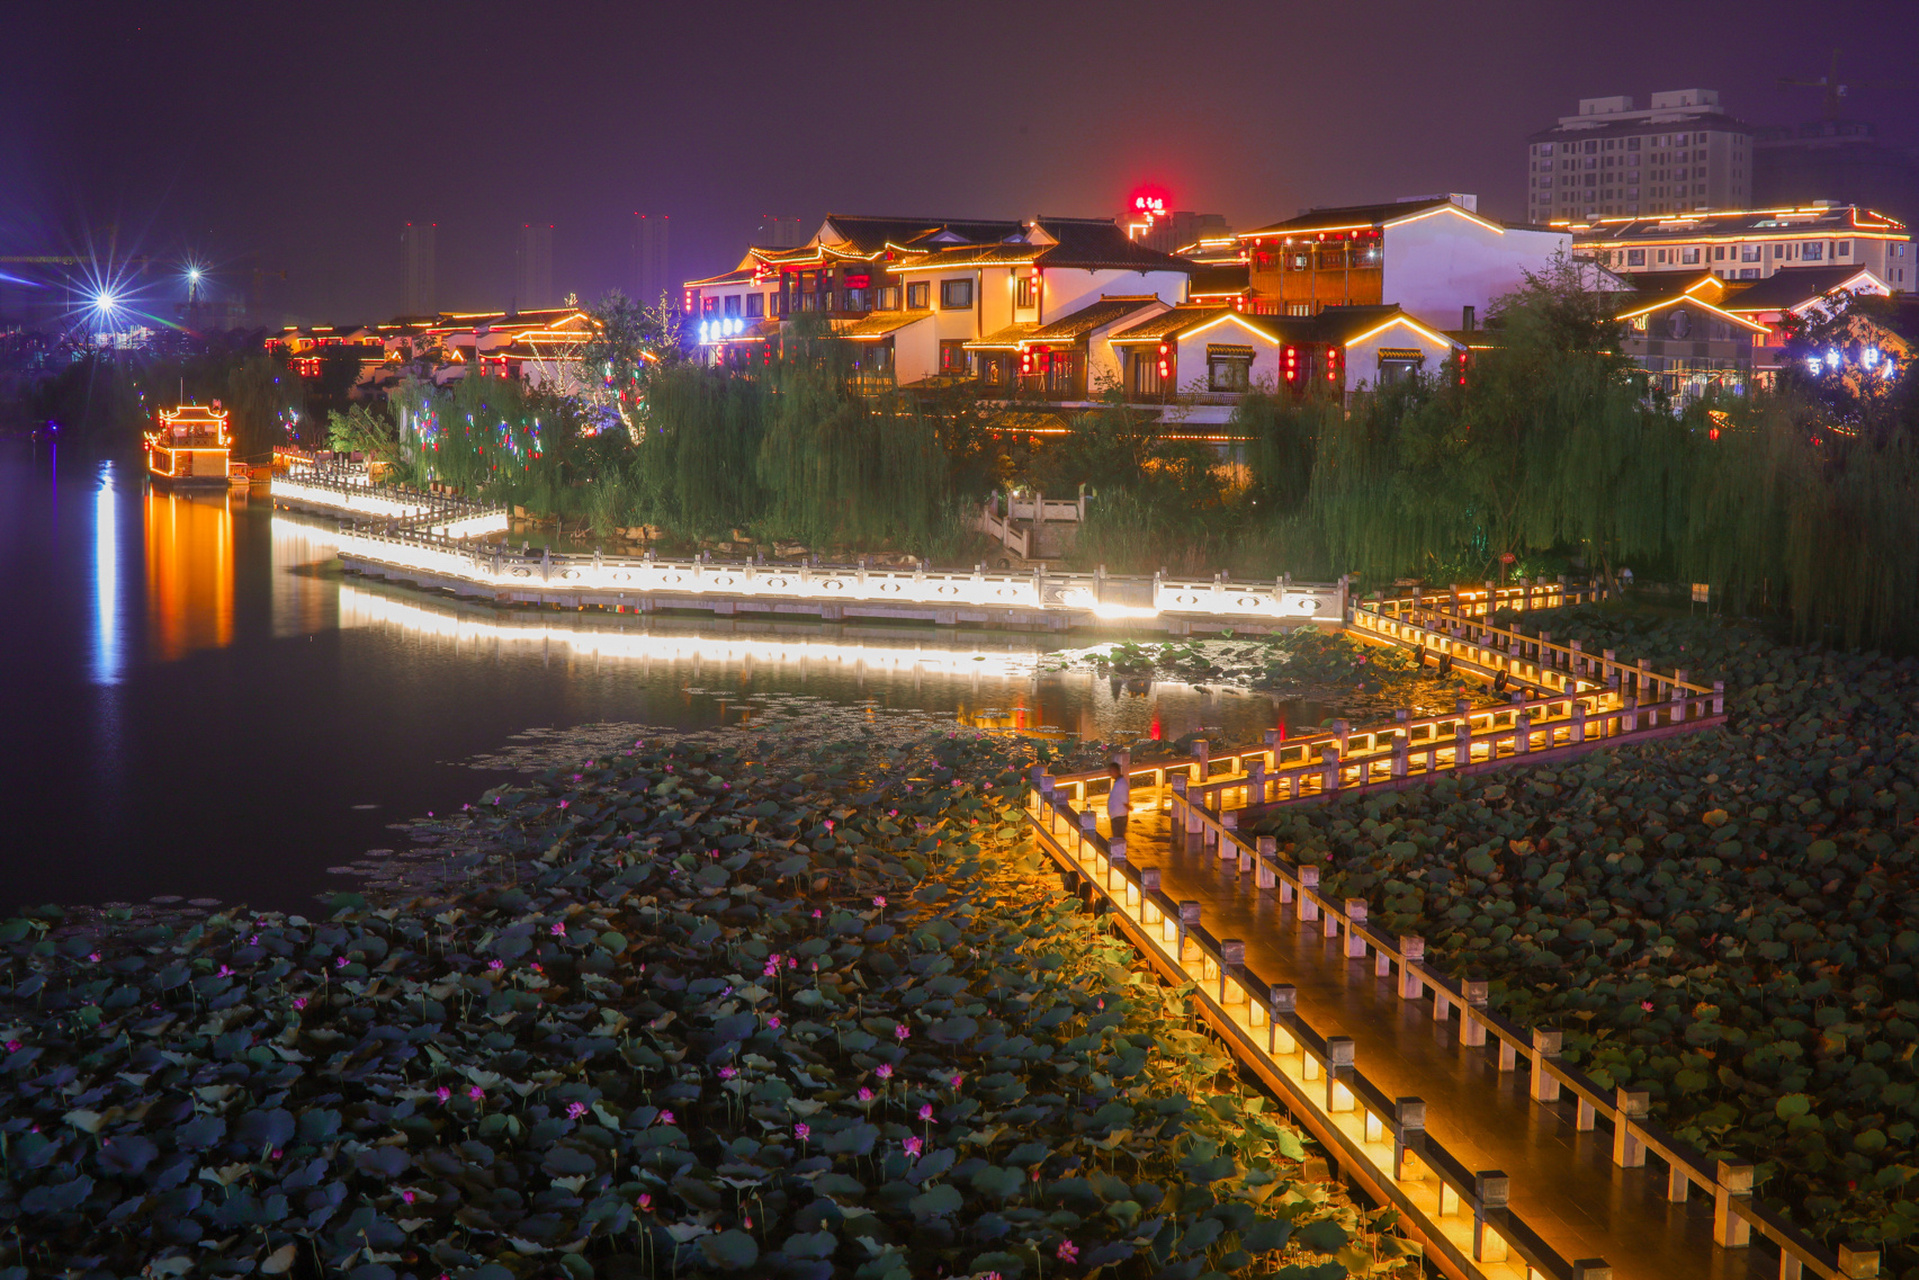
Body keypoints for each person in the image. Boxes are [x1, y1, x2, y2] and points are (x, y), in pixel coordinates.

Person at [1106, 762, 1131, 841]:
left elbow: (1125, 801)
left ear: (1115, 771)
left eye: (1111, 771)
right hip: (1116, 816)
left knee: (1118, 839)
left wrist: (1129, 808)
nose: (1110, 773)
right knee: (1117, 838)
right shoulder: (1118, 783)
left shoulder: (1121, 784)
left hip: (1119, 817)